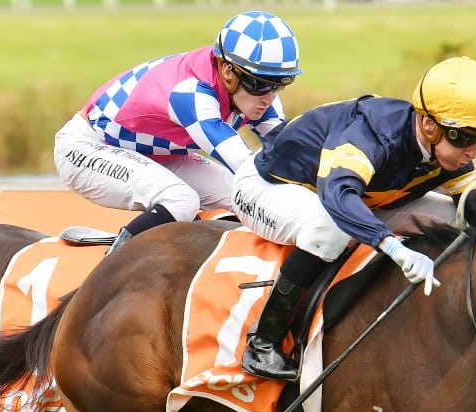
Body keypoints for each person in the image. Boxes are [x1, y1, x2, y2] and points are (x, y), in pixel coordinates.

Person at [232, 56, 476, 381]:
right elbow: (338, 195)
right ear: (429, 125)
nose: (473, 152)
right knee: (331, 229)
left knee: (456, 221)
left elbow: (471, 205)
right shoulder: (375, 135)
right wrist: (391, 245)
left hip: (361, 196)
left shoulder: (448, 151)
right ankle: (263, 343)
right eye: (464, 138)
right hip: (269, 185)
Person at [53, 11, 301, 250]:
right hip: (87, 147)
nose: (268, 99)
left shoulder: (254, 96)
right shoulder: (191, 93)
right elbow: (243, 164)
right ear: (228, 71)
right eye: (261, 85)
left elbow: (289, 155)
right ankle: (112, 268)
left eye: (278, 86)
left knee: (242, 198)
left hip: (155, 154)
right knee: (181, 200)